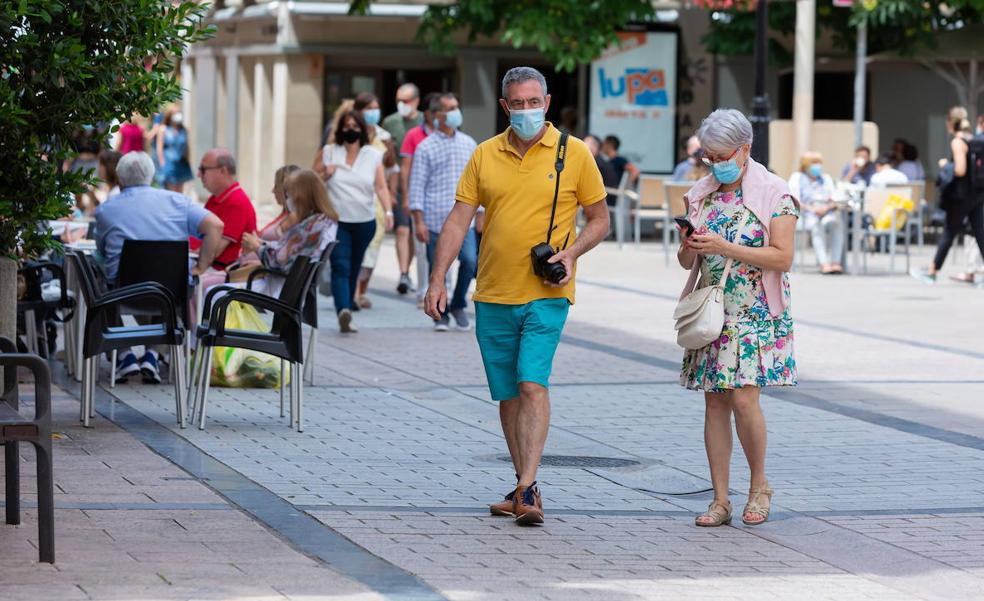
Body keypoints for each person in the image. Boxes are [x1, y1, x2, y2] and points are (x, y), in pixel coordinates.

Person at [425, 66, 609, 525]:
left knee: (531, 383)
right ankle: (523, 486)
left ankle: (528, 487)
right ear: (505, 107)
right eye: (518, 103)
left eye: (534, 102)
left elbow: (601, 219)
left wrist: (572, 253)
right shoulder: (485, 155)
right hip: (492, 292)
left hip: (548, 292)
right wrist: (437, 278)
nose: (526, 110)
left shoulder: (575, 154)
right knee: (508, 394)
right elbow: (458, 219)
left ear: (546, 102)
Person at [677, 109, 799, 528]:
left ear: (745, 149)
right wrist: (690, 244)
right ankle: (719, 499)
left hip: (756, 312)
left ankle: (759, 486)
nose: (713, 163)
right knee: (715, 401)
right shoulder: (700, 193)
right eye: (707, 156)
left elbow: (783, 257)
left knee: (745, 399)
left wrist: (727, 247)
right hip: (713, 310)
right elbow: (685, 261)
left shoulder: (776, 194)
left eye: (720, 155)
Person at [94, 151, 224, 383]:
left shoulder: (106, 210)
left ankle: (124, 357)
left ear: (120, 178)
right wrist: (202, 265)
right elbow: (215, 225)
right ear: (151, 175)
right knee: (169, 281)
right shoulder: (178, 202)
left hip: (124, 292)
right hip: (170, 293)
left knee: (96, 285)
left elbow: (102, 251)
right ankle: (153, 356)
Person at [408, 92, 478, 331]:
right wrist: (418, 221)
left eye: (456, 107)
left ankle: (458, 304)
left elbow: (479, 183)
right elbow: (416, 185)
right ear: (437, 115)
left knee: (470, 261)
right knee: (438, 270)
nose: (455, 112)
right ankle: (443, 313)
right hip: (435, 219)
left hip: (464, 220)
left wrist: (482, 214)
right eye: (449, 108)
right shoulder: (425, 148)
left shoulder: (469, 144)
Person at [320, 110, 394, 333]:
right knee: (340, 266)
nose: (350, 129)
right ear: (340, 129)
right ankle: (343, 310)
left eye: (354, 125)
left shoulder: (372, 155)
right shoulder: (330, 152)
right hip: (337, 221)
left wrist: (389, 212)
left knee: (354, 267)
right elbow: (312, 181)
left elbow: (380, 186)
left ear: (362, 129)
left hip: (364, 221)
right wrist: (326, 174)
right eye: (346, 125)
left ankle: (348, 305)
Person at [910, 108, 984, 284]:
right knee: (980, 234)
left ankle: (932, 271)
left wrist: (945, 165)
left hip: (961, 196)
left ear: (951, 122)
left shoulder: (958, 141)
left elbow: (960, 169)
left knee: (949, 233)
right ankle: (932, 270)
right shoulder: (973, 139)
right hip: (977, 194)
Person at [238, 169, 339, 297]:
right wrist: (261, 243)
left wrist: (256, 247)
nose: (287, 199)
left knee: (215, 293)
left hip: (282, 289)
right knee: (217, 290)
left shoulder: (311, 227)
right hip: (288, 287)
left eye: (289, 194)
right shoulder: (322, 222)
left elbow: (278, 262)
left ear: (302, 196)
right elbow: (288, 252)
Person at [353, 91, 399, 310]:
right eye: (368, 108)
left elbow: (392, 169)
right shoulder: (352, 134)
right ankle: (350, 292)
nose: (373, 112)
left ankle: (362, 290)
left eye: (375, 107)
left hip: (378, 202)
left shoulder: (384, 137)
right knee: (355, 246)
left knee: (373, 246)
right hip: (354, 198)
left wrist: (393, 194)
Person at [194, 148, 258, 291]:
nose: (198, 174)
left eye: (203, 169)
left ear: (223, 171)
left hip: (224, 272)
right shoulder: (217, 198)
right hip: (211, 267)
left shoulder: (236, 202)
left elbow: (212, 251)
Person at [382, 83, 424, 295]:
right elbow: (386, 157)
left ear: (416, 101)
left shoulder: (425, 122)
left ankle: (408, 270)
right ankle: (403, 273)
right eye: (399, 100)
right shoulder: (390, 122)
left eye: (406, 101)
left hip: (422, 184)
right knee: (401, 229)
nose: (402, 105)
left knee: (415, 232)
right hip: (398, 185)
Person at [401, 91, 441, 309]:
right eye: (435, 112)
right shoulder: (414, 135)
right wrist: (407, 197)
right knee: (422, 250)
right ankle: (423, 290)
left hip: (443, 203)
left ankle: (444, 290)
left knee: (444, 249)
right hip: (421, 201)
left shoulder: (452, 136)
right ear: (426, 113)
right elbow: (406, 168)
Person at [788, 151, 844, 274]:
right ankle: (824, 263)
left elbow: (835, 197)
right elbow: (794, 199)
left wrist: (828, 207)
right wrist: (812, 209)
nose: (817, 166)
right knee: (817, 226)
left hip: (826, 212)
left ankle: (835, 262)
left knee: (837, 224)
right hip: (806, 214)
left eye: (819, 163)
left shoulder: (826, 178)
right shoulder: (797, 178)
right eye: (814, 163)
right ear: (805, 165)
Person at [157, 109, 194, 193]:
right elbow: (159, 148)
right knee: (171, 190)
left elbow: (187, 147)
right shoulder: (163, 129)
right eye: (175, 113)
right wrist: (162, 163)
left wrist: (188, 159)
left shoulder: (183, 130)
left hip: (181, 162)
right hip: (169, 163)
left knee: (180, 191)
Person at [583, 134, 619, 205]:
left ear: (594, 147)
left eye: (585, 143)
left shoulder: (597, 164)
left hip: (605, 199)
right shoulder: (599, 161)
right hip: (605, 195)